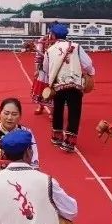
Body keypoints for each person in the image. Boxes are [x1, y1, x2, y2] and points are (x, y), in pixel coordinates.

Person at [42, 23, 95, 153]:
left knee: (58, 110)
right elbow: (88, 64)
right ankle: (69, 143)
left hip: (58, 84)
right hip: (75, 84)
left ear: (53, 35)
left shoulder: (49, 50)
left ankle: (57, 137)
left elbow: (45, 68)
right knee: (74, 112)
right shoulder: (75, 46)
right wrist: (91, 73)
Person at [30, 28, 57, 115]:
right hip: (44, 68)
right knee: (41, 88)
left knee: (54, 89)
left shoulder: (62, 42)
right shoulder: (43, 40)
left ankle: (53, 111)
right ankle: (40, 106)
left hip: (56, 68)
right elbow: (39, 57)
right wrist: (36, 69)